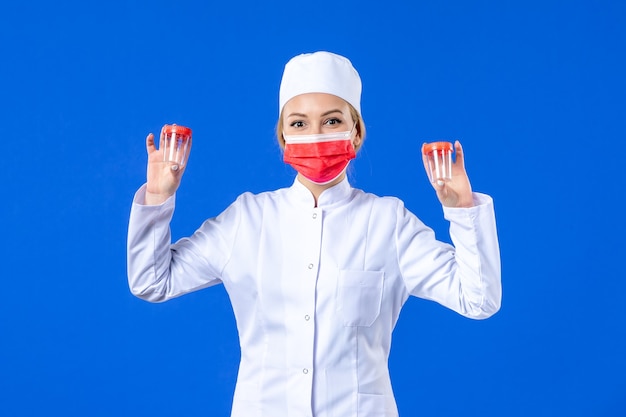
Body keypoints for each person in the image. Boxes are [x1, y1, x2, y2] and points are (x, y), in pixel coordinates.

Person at [127, 51, 501, 417]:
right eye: (299, 124)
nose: (315, 135)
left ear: (356, 133)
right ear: (283, 137)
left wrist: (461, 209)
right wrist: (158, 198)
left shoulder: (389, 223)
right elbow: (152, 282)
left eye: (333, 121)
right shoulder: (247, 219)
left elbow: (479, 299)